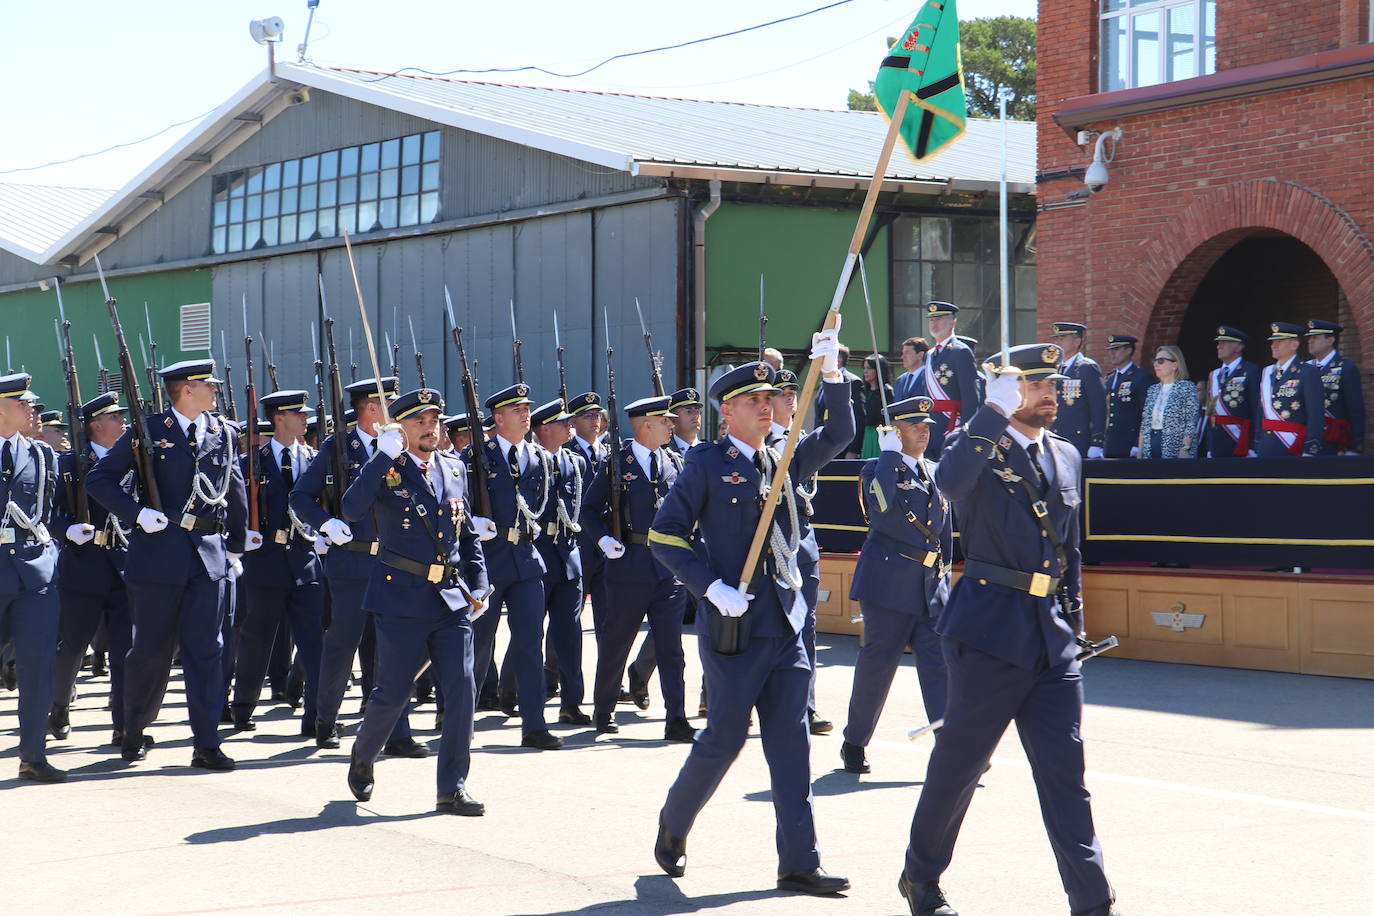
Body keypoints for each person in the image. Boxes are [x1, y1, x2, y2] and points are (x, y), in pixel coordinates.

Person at [899, 343, 1119, 916]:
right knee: (961, 767)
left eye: (1053, 385)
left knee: (1066, 774)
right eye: (1034, 384)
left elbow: (1069, 550)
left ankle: (1093, 900)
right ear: (1006, 390)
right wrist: (989, 414)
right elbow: (947, 483)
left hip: (1051, 638)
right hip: (988, 633)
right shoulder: (976, 448)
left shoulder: (1067, 455)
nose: (1048, 394)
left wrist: (1075, 626)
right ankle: (921, 877)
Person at [647, 324, 852, 896]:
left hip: (785, 625)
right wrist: (710, 587)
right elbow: (664, 537)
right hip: (734, 626)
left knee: (791, 744)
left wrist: (832, 374)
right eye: (754, 401)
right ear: (726, 413)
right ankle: (673, 824)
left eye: (771, 399)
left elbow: (840, 431)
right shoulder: (707, 464)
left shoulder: (785, 460)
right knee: (726, 738)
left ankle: (799, 861)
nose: (768, 408)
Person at [86, 359, 251, 771]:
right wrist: (136, 513)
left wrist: (235, 546)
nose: (215, 391)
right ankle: (134, 730)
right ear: (187, 390)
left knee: (207, 651)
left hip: (208, 558)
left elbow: (234, 488)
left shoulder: (223, 432)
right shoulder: (149, 431)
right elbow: (99, 481)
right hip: (158, 556)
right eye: (207, 385)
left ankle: (207, 742)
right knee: (151, 651)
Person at [340, 387, 490, 815]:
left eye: (435, 421)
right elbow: (351, 509)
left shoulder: (453, 466)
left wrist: (479, 581)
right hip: (401, 596)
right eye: (420, 421)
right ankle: (364, 753)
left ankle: (452, 787)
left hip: (449, 598)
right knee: (392, 693)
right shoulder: (388, 468)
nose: (430, 428)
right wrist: (380, 458)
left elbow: (464, 533)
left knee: (462, 688)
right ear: (400, 427)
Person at [291, 377, 423, 754]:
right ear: (370, 409)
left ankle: (395, 731)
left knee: (391, 650)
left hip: (395, 562)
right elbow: (301, 496)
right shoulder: (338, 447)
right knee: (342, 647)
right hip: (352, 562)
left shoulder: (402, 447)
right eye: (388, 404)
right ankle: (326, 719)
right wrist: (326, 522)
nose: (395, 412)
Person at [841, 396, 951, 776]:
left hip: (929, 586)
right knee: (878, 667)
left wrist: (945, 578)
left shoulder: (935, 471)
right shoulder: (877, 469)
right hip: (888, 585)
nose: (924, 431)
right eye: (914, 425)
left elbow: (943, 534)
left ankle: (952, 747)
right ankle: (855, 741)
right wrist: (888, 457)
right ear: (894, 431)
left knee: (941, 668)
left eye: (927, 426)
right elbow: (882, 508)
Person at [581, 395, 693, 741]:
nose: (671, 425)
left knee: (671, 648)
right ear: (647, 424)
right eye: (665, 421)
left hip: (667, 569)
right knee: (617, 642)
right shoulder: (617, 462)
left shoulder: (673, 461)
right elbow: (588, 511)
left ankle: (676, 716)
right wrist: (603, 541)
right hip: (628, 565)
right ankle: (604, 709)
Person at [466, 382, 562, 750]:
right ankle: (460, 715)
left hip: (525, 560)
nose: (526, 414)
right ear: (498, 417)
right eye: (516, 410)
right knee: (477, 644)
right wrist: (471, 524)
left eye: (527, 408)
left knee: (529, 643)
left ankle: (534, 724)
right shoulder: (477, 455)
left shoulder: (538, 457)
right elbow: (454, 500)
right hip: (488, 561)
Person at [231, 390, 325, 736]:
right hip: (264, 562)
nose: (305, 420)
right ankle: (243, 707)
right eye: (298, 414)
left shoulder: (315, 459)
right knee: (257, 639)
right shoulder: (250, 462)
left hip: (305, 560)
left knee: (315, 642)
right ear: (279, 418)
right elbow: (233, 506)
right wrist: (242, 536)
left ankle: (317, 716)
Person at [769, 366, 853, 735]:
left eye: (794, 390)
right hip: (762, 552)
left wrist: (833, 377)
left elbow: (840, 433)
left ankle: (806, 706)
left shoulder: (800, 443)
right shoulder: (754, 445)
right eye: (781, 392)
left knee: (804, 628)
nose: (791, 396)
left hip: (799, 547)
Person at [49, 392, 134, 749]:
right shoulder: (67, 463)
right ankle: (59, 704)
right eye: (116, 418)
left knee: (125, 649)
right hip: (83, 568)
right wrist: (66, 530)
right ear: (96, 425)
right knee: (71, 647)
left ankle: (125, 722)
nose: (123, 423)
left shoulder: (134, 462)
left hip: (125, 565)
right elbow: (48, 511)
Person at [0, 373, 65, 782]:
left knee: (38, 666)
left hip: (33, 574)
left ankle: (33, 754)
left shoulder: (42, 455)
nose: (31, 410)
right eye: (21, 403)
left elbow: (47, 511)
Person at [528, 399, 590, 725]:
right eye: (563, 422)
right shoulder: (528, 461)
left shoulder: (576, 463)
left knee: (569, 633)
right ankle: (522, 694)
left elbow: (586, 508)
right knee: (531, 634)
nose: (570, 425)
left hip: (568, 556)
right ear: (544, 428)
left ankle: (571, 702)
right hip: (537, 555)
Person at [917, 302, 979, 460]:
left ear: (953, 321)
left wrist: (965, 432)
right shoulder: (930, 355)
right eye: (931, 320)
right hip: (930, 428)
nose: (934, 323)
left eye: (939, 319)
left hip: (952, 427)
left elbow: (970, 397)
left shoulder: (961, 351)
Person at [1256, 322, 1325, 457]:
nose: (1273, 346)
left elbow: (1315, 414)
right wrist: (1256, 443)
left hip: (1292, 446)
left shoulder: (1307, 372)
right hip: (1266, 445)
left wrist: (1310, 447)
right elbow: (1260, 412)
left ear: (1294, 345)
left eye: (1279, 341)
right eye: (1272, 342)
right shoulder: (1267, 372)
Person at [1304, 320, 1365, 454]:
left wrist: (1354, 446)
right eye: (1309, 337)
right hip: (1306, 436)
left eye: (1315, 337)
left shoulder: (1346, 367)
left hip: (1333, 438)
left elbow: (1355, 409)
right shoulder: (1304, 368)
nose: (1310, 341)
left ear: (1330, 340)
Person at [1201, 326, 1261, 458]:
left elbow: (1256, 409)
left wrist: (1253, 445)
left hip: (1239, 440)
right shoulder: (1214, 375)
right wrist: (1208, 444)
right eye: (1218, 343)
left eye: (1224, 343)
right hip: (1216, 442)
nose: (1219, 347)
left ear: (1238, 347)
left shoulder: (1250, 370)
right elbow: (1210, 412)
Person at [1049, 321, 1107, 458]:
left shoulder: (1086, 368)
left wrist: (1097, 443)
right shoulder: (1055, 369)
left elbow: (1099, 408)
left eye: (1062, 338)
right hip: (1056, 439)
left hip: (1078, 441)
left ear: (1077, 341)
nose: (1057, 342)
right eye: (1056, 338)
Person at [1139, 346, 1201, 459]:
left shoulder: (1187, 388)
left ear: (1175, 365)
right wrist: (1140, 452)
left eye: (1161, 361)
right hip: (1150, 446)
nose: (1156, 364)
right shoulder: (1152, 390)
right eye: (1155, 361)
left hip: (1175, 449)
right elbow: (1145, 424)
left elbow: (1191, 422)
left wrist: (1185, 448)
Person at [1101, 334, 1150, 458]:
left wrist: (1138, 444)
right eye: (1110, 350)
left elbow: (1147, 413)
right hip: (1110, 444)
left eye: (1116, 349)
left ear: (1128, 350)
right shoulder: (1110, 378)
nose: (1112, 353)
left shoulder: (1141, 377)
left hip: (1129, 444)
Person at [813, 343, 865, 459]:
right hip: (823, 447)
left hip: (842, 448)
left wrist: (853, 450)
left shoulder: (852, 381)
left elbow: (859, 419)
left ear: (839, 359)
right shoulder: (823, 384)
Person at [860, 354, 895, 459]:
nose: (865, 371)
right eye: (864, 368)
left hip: (880, 435)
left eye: (869, 368)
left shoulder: (886, 391)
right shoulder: (865, 391)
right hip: (867, 435)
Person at [894, 336, 930, 401]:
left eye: (907, 353)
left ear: (920, 355)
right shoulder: (900, 380)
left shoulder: (929, 378)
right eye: (903, 353)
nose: (902, 357)